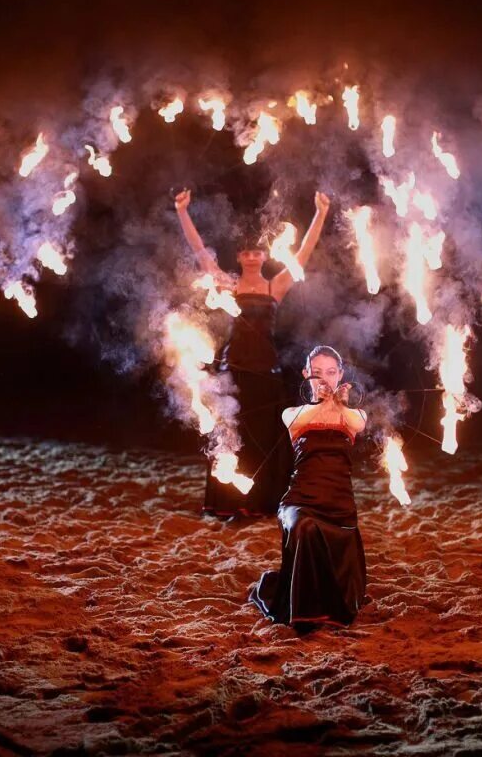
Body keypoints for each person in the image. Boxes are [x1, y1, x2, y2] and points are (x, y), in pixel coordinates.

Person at [174, 188, 330, 519]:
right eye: (246, 252)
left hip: (267, 373)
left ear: (263, 256)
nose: (252, 256)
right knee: (233, 438)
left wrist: (320, 212)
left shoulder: (276, 287)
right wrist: (183, 211)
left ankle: (260, 502)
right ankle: (229, 503)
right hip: (235, 372)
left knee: (264, 441)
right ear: (240, 257)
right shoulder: (227, 286)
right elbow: (200, 252)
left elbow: (304, 252)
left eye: (257, 251)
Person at [250, 345, 369, 632]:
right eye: (317, 373)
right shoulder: (294, 412)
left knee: (316, 528)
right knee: (305, 527)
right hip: (300, 501)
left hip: (339, 507)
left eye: (331, 373)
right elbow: (300, 418)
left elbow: (358, 424)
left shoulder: (355, 415)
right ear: (306, 375)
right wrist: (326, 403)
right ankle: (305, 614)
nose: (324, 379)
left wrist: (339, 404)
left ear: (341, 376)